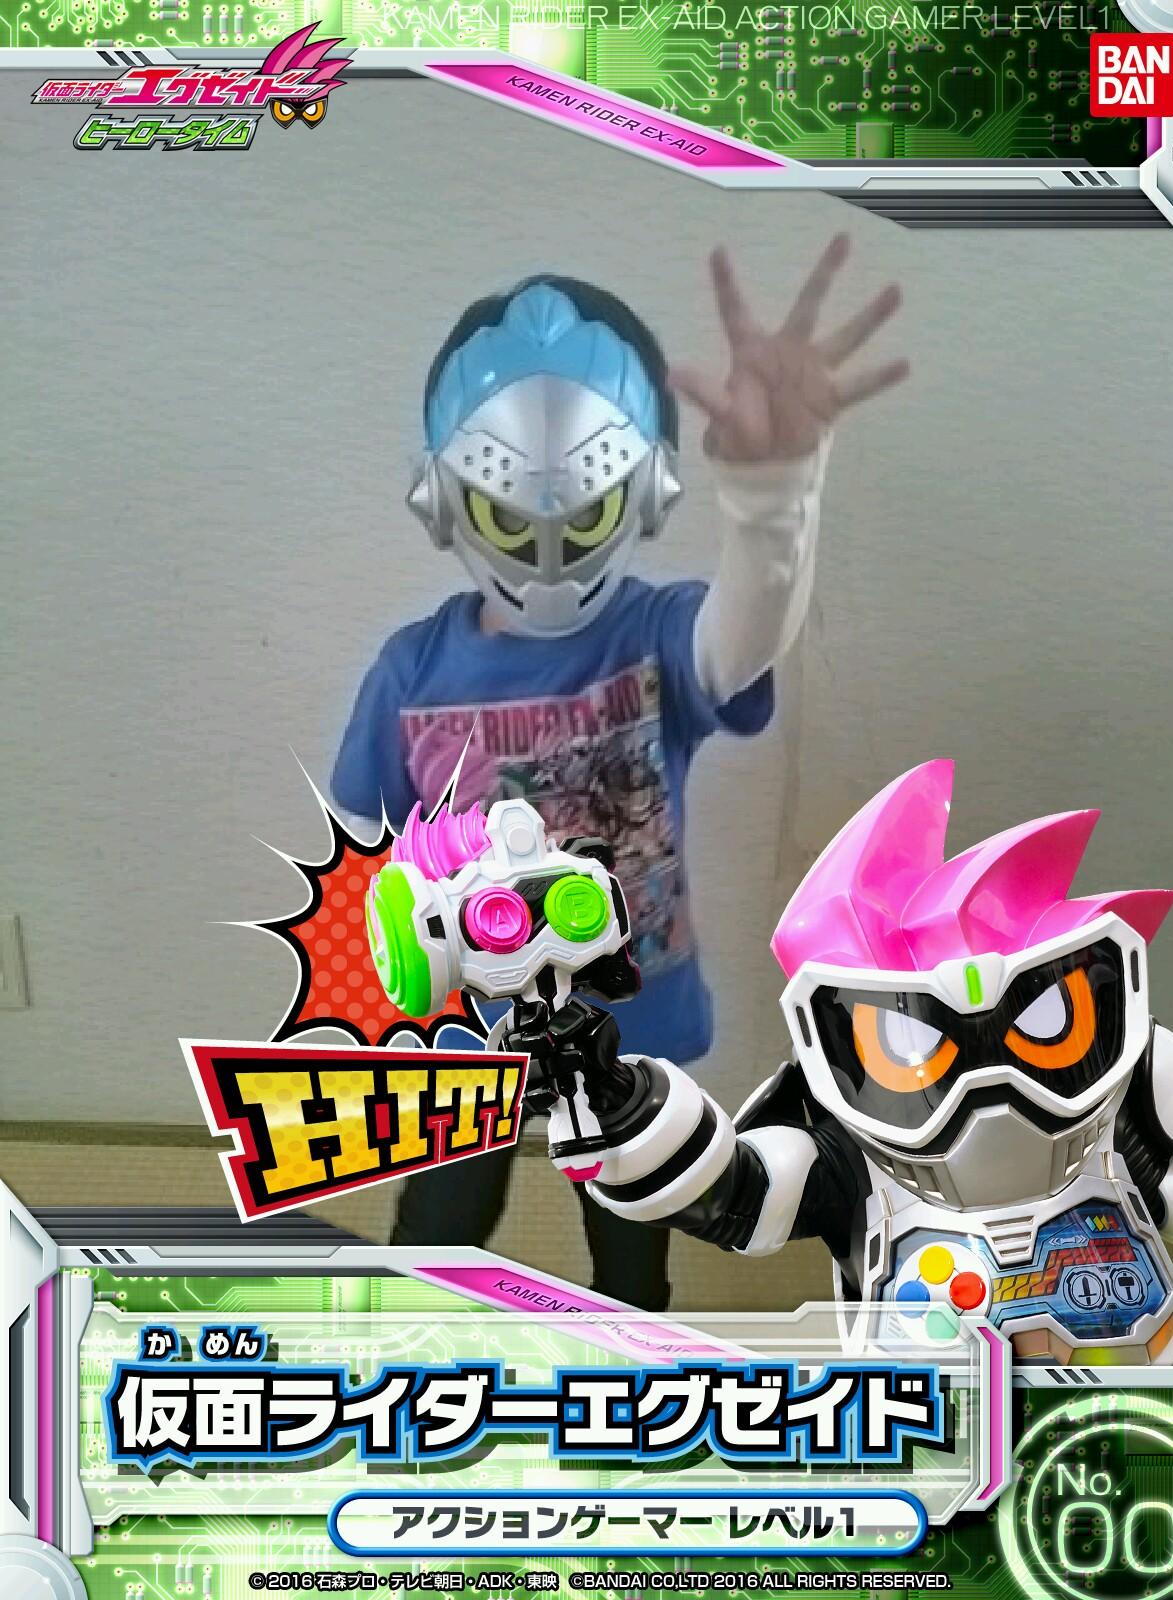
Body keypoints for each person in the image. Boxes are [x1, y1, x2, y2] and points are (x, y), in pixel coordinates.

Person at [330, 237, 908, 1310]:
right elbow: (362, 850)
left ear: (643, 492)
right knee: (442, 1229)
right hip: (463, 1029)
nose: (548, 554)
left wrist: (774, 499)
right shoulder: (410, 672)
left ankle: (632, 1365)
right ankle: (415, 1357)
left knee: (636, 1238)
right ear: (445, 499)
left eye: (582, 514)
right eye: (510, 517)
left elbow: (740, 640)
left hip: (628, 1013)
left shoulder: (655, 635)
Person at [538, 760, 1173, 1365]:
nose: (987, 1080)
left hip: (1150, 1401)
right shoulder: (849, 1151)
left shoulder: (1129, 1097)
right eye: (920, 1035)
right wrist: (615, 1099)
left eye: (1037, 1020)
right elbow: (733, 1193)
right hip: (939, 1429)